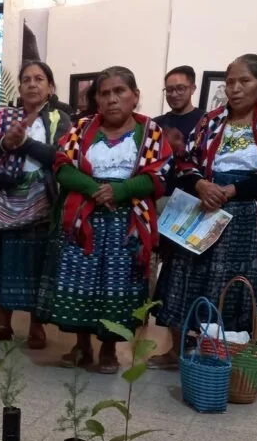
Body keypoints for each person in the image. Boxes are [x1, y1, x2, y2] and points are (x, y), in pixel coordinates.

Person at [151, 54, 257, 369]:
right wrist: (201, 185)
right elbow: (186, 160)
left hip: (245, 213)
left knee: (233, 283)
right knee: (184, 276)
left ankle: (224, 356)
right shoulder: (210, 121)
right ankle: (176, 352)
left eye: (245, 81)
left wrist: (232, 191)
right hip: (203, 205)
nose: (235, 89)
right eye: (230, 82)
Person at [38, 66, 172, 372]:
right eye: (105, 93)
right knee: (80, 284)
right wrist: (95, 189)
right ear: (97, 99)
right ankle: (82, 346)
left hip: (126, 224)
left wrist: (120, 190)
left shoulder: (150, 131)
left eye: (120, 91)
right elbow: (62, 165)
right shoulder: (82, 129)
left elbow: (158, 175)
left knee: (118, 288)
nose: (112, 99)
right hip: (83, 220)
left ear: (135, 96)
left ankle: (109, 349)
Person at [0, 61, 70, 348]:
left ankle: (36, 327)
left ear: (50, 87)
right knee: (5, 260)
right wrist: (5, 143)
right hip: (5, 197)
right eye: (26, 79)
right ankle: (4, 324)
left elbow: (59, 156)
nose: (32, 84)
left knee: (36, 262)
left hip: (42, 199)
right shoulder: (5, 115)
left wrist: (24, 142)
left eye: (39, 79)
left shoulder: (59, 118)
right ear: (19, 87)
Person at [154, 66, 204, 141]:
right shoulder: (155, 124)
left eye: (180, 88)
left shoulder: (206, 121)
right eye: (169, 90)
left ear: (193, 89)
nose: (174, 94)